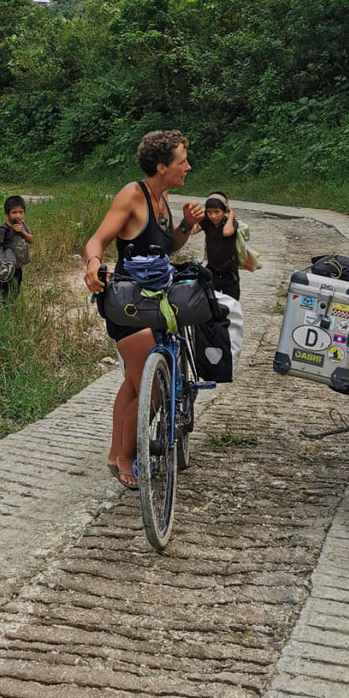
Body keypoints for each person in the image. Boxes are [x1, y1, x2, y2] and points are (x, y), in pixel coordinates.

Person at [84, 130, 204, 489]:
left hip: (156, 303)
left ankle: (113, 452)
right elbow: (98, 238)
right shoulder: (133, 195)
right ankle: (126, 457)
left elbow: (165, 248)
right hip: (129, 305)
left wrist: (185, 225)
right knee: (150, 391)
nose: (188, 167)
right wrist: (93, 264)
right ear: (161, 165)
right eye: (182, 161)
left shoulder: (162, 198)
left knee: (134, 385)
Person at [194, 191, 243, 300]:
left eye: (217, 212)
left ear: (225, 211)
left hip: (229, 273)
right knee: (211, 303)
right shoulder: (207, 222)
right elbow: (193, 230)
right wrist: (196, 218)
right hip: (212, 271)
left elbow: (227, 232)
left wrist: (231, 217)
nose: (213, 216)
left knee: (232, 304)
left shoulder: (231, 223)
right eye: (209, 212)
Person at [0, 195, 33, 301]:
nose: (18, 215)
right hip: (6, 267)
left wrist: (22, 231)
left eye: (21, 212)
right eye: (14, 212)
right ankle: (6, 310)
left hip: (18, 267)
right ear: (7, 214)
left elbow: (31, 240)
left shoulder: (22, 225)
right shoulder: (4, 229)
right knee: (5, 293)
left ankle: (13, 309)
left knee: (16, 291)